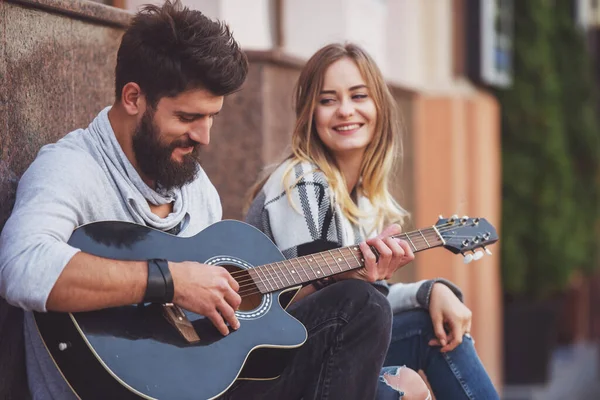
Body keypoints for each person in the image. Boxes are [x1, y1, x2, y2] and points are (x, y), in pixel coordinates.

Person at [0, 2, 420, 399]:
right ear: (133, 98)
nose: (204, 136)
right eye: (187, 118)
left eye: (211, 117)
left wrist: (341, 277)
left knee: (359, 306)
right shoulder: (71, 169)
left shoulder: (194, 187)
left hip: (203, 385)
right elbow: (22, 267)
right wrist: (170, 280)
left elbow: (220, 336)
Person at [244, 42, 501, 399]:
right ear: (309, 113)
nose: (345, 111)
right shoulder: (303, 182)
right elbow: (316, 305)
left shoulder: (361, 195)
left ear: (379, 105)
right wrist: (355, 279)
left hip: (328, 344)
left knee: (436, 328)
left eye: (358, 96)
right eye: (328, 100)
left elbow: (367, 296)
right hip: (272, 366)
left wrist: (432, 291)